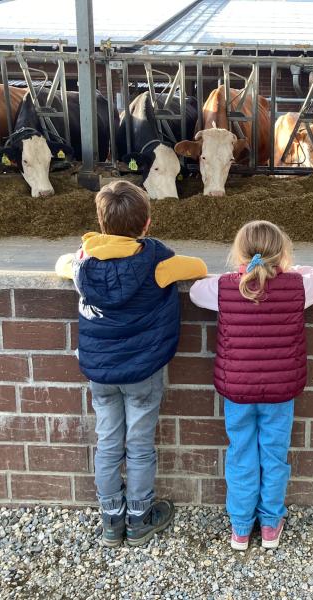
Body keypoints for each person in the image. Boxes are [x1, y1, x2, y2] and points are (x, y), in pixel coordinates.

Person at [55, 180, 207, 547]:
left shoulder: (83, 263)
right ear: (147, 224)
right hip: (143, 371)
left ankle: (111, 521)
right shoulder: (157, 262)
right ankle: (139, 519)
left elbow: (60, 265)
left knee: (107, 443)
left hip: (101, 373)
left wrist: (82, 253)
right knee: (138, 445)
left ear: (101, 222)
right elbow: (200, 267)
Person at [189, 220, 313, 551]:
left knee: (241, 453)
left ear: (238, 253)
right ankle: (270, 525)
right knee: (274, 454)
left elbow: (197, 291)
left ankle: (241, 528)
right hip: (280, 392)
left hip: (238, 392)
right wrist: (292, 268)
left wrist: (239, 273)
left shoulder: (225, 287)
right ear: (282, 253)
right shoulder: (297, 286)